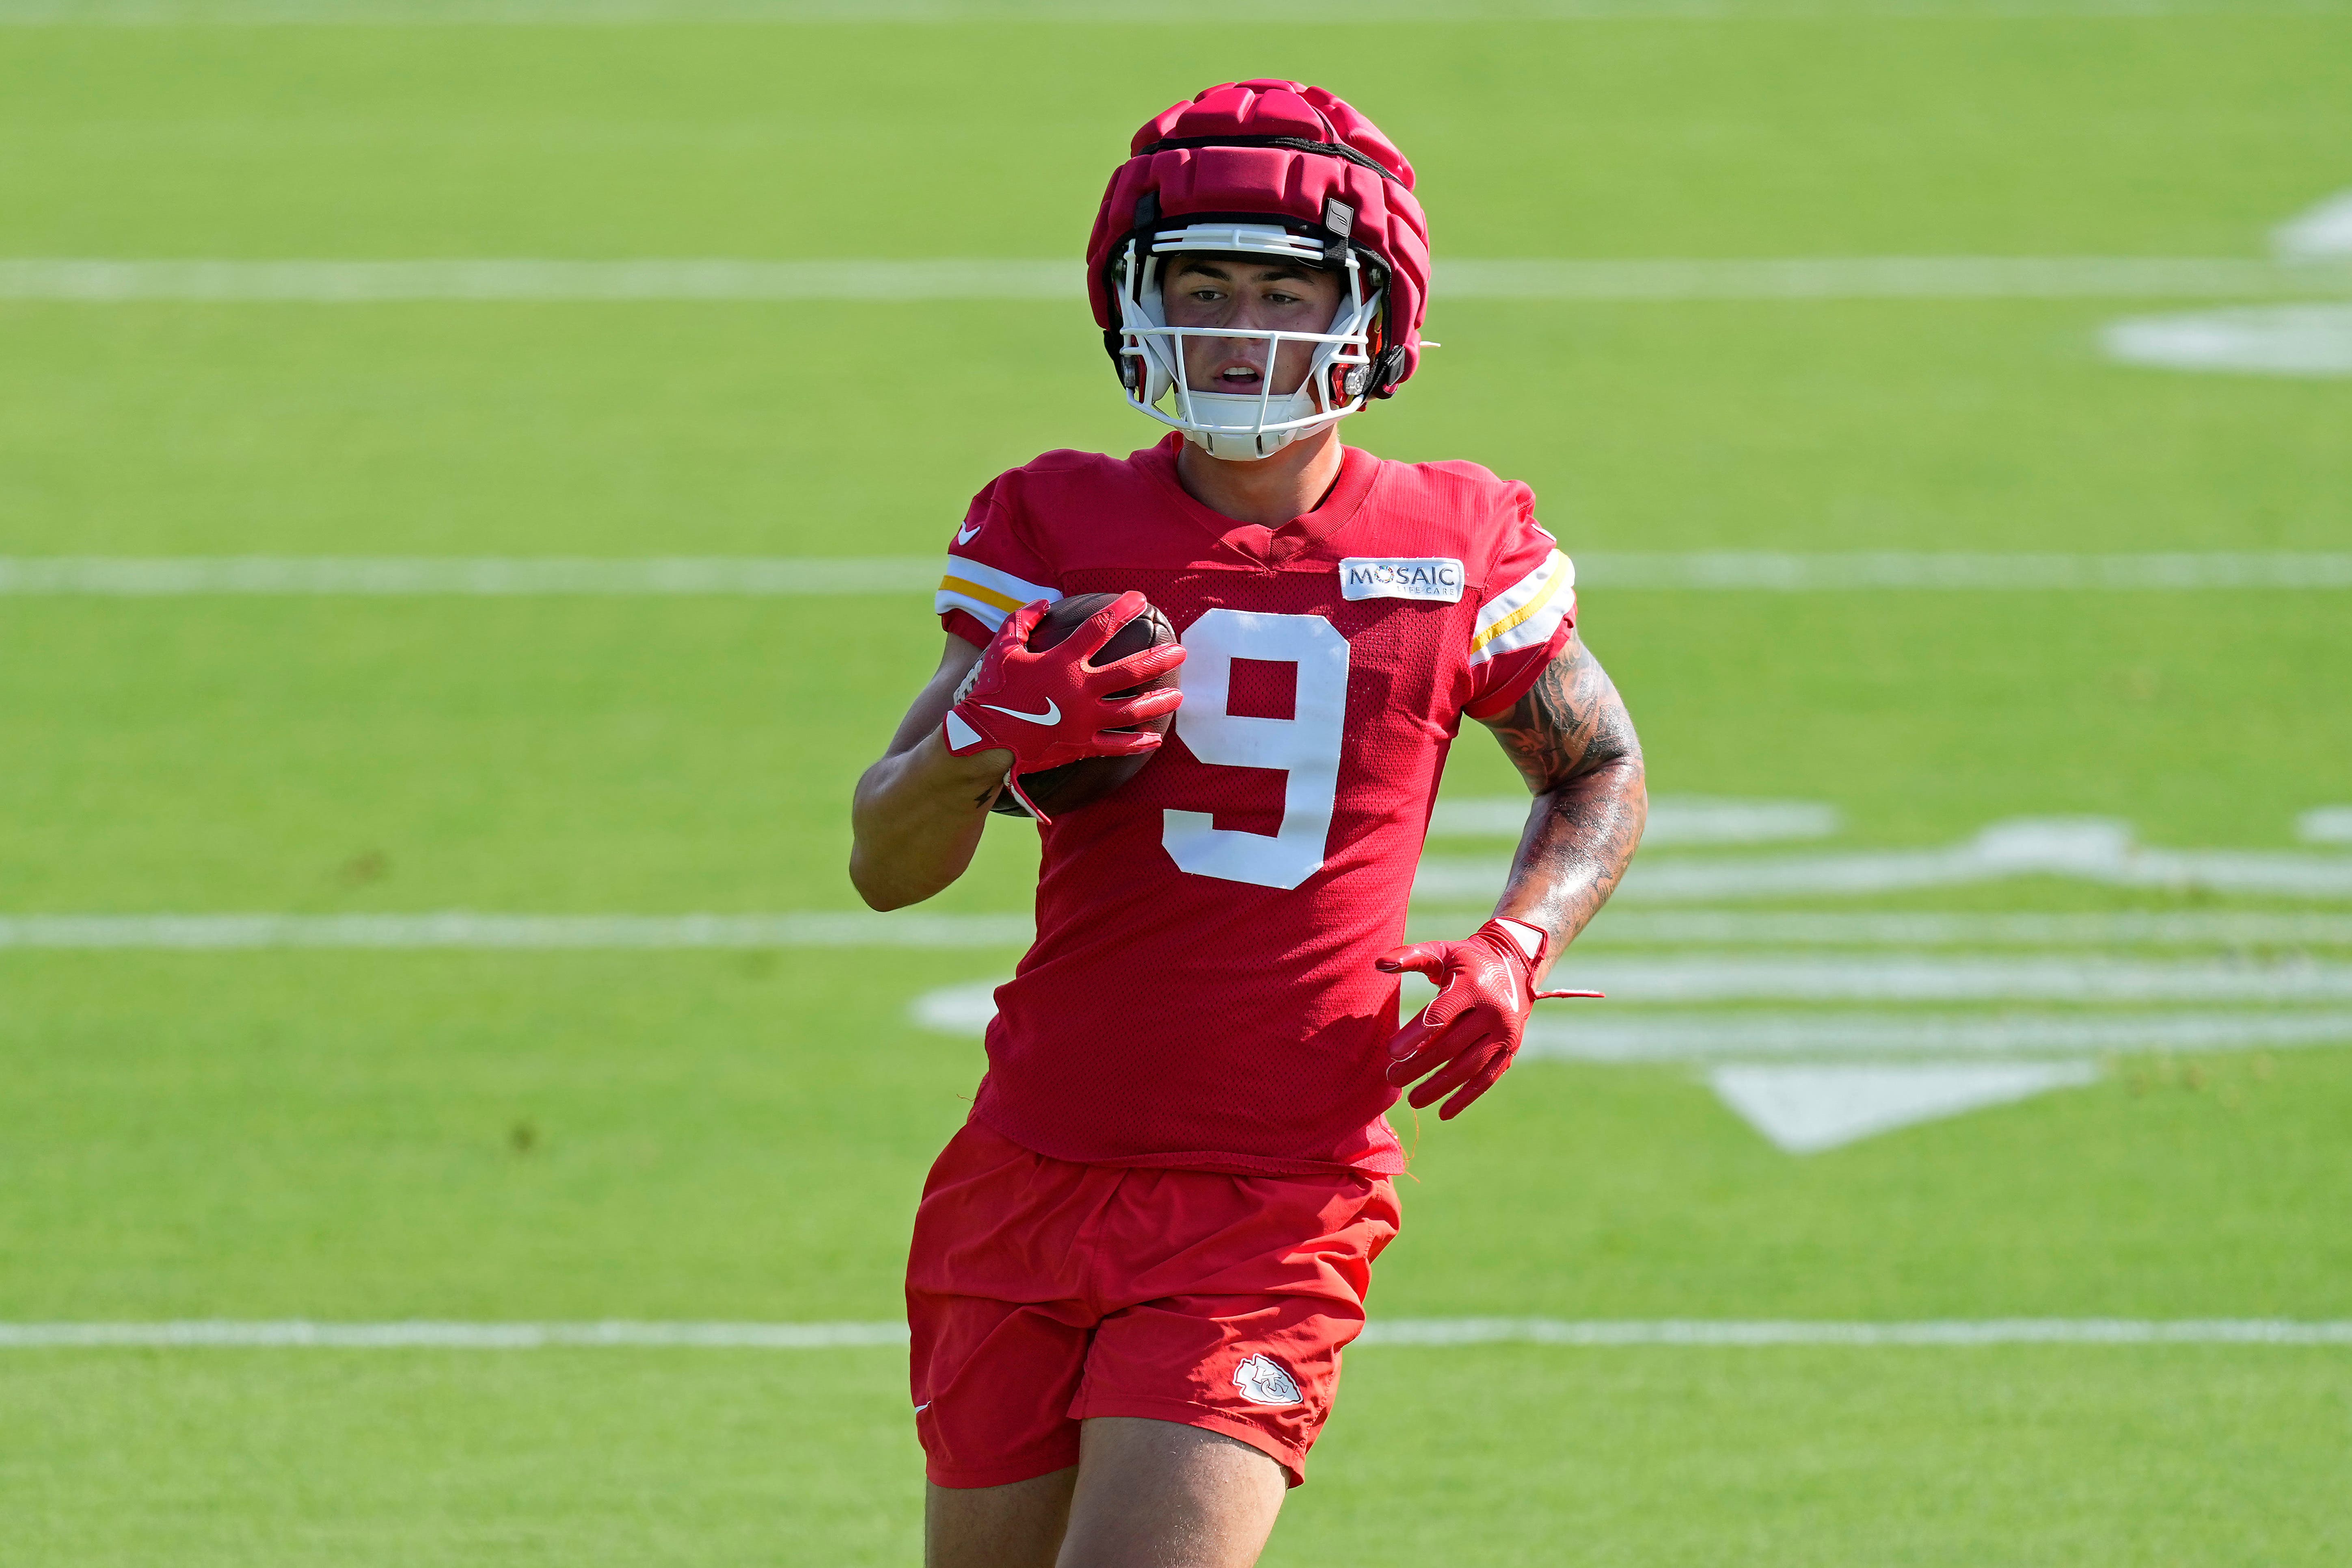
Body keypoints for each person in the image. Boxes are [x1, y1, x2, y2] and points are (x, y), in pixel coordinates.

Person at [850, 80, 1646, 1568]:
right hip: (1027, 1161)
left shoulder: (1455, 536)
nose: (1237, 327)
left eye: (1285, 287)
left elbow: (1595, 767)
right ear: (1130, 303)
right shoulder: (1047, 526)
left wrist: (1520, 943)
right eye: (1196, 285)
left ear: (1373, 311)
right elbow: (885, 863)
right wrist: (977, 740)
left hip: (1272, 1189)